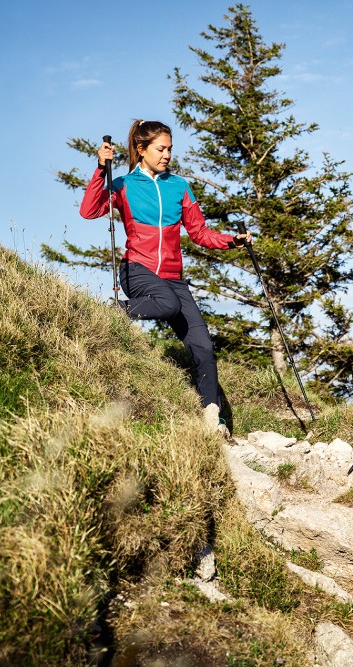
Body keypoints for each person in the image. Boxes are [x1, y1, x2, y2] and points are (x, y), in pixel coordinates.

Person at [80, 120, 250, 435]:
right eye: (161, 148)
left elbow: (199, 233)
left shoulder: (179, 186)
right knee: (167, 303)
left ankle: (212, 417)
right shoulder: (123, 185)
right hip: (137, 270)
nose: (167, 154)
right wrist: (100, 168)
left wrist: (231, 241)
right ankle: (117, 309)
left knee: (203, 348)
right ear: (141, 150)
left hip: (172, 278)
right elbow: (89, 211)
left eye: (170, 148)